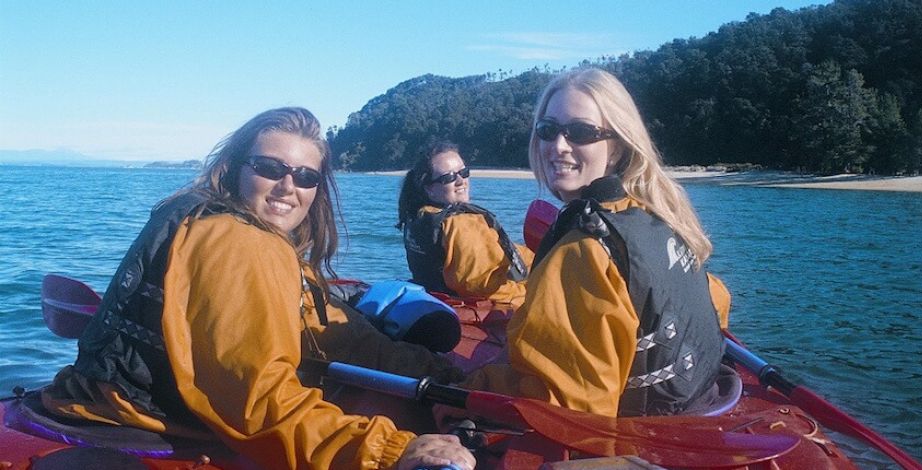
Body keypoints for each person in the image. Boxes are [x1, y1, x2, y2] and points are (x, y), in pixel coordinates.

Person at [40, 107, 475, 470]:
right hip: (132, 421)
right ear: (233, 170)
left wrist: (446, 380)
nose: (289, 186)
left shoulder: (237, 232)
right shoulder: (238, 245)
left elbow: (341, 335)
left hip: (101, 402)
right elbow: (258, 402)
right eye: (270, 169)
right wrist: (392, 451)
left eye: (306, 176)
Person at [462, 68, 735, 418]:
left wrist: (462, 391)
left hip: (643, 435)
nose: (558, 146)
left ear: (618, 147)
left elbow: (566, 410)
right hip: (702, 405)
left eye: (580, 132)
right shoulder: (660, 216)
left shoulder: (582, 252)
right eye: (547, 130)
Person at [397, 141, 533, 307]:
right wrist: (530, 293)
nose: (461, 181)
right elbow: (481, 285)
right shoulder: (462, 224)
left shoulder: (418, 216)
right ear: (429, 188)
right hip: (469, 304)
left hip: (435, 295)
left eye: (464, 172)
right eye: (449, 177)